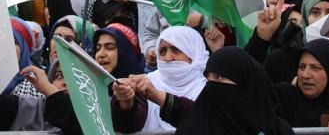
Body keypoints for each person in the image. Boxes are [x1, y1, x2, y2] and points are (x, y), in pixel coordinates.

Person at [112, 46, 292, 134]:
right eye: (209, 78)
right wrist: (131, 98)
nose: (212, 85)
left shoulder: (276, 131)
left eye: (219, 78)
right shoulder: (201, 123)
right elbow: (188, 112)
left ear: (243, 81)